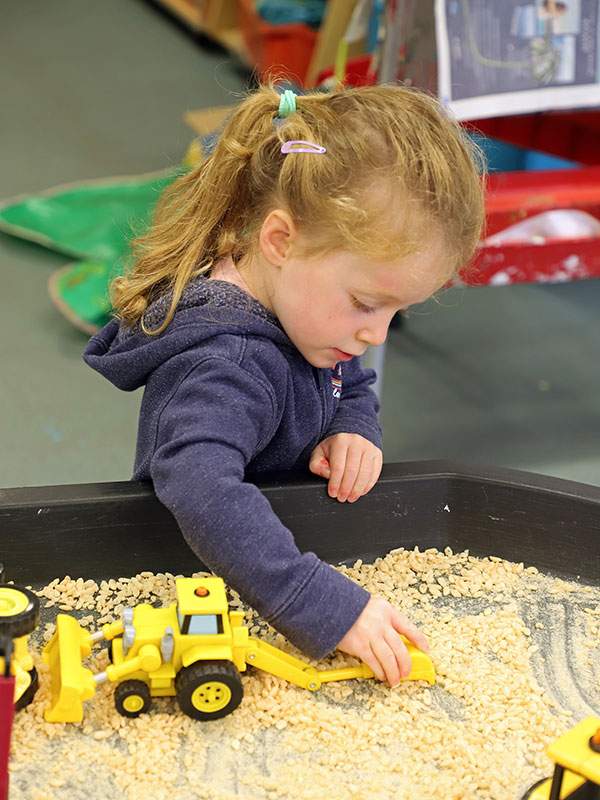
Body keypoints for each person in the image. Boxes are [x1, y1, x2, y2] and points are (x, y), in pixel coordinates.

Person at [84, 83, 484, 688]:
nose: (373, 334)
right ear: (280, 240)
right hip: (201, 569)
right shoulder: (227, 363)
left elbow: (345, 378)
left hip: (278, 543)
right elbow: (200, 489)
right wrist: (320, 602)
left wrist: (353, 423)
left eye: (393, 314)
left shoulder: (310, 314)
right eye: (365, 304)